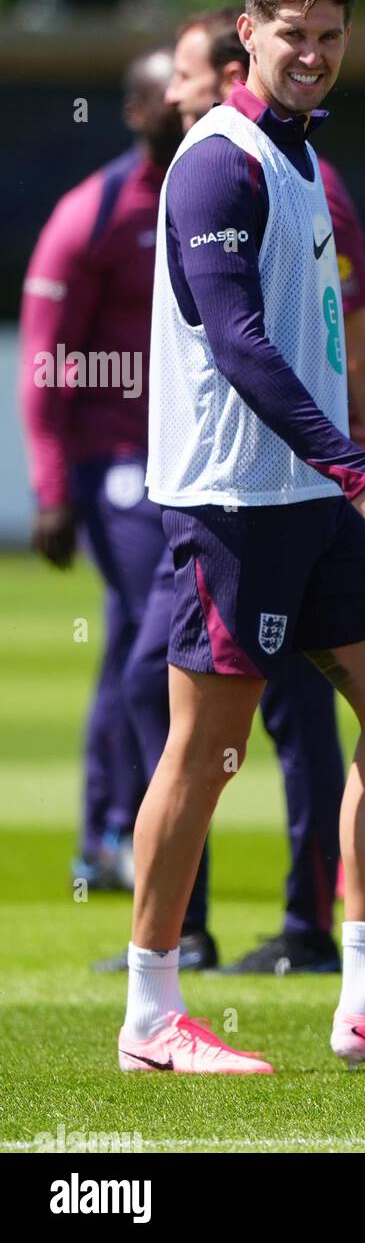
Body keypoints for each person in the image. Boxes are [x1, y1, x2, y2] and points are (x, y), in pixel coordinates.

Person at [117, 0, 365, 1076]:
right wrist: (362, 469)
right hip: (231, 503)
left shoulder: (304, 162)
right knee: (207, 752)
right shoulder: (220, 161)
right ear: (246, 35)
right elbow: (236, 343)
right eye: (292, 34)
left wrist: (347, 475)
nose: (312, 54)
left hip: (309, 500)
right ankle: (152, 1009)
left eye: (330, 37)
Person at [18, 51, 182, 892]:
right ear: (135, 108)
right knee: (146, 636)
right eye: (166, 92)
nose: (182, 104)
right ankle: (118, 832)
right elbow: (47, 359)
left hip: (197, 464)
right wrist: (52, 490)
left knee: (136, 638)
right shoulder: (95, 212)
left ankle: (113, 835)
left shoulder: (220, 189)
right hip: (120, 460)